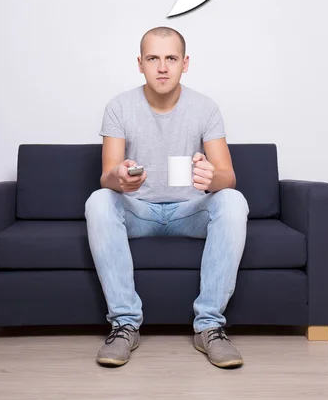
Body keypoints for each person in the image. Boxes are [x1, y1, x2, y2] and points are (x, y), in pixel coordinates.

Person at [85, 26, 249, 369]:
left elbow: (228, 177)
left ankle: (210, 327)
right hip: (139, 210)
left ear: (184, 63)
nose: (162, 67)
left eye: (170, 58)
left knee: (233, 199)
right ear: (140, 63)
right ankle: (125, 324)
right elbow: (106, 176)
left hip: (190, 210)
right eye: (153, 58)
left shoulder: (205, 107)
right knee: (99, 199)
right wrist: (118, 179)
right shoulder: (119, 106)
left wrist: (211, 177)